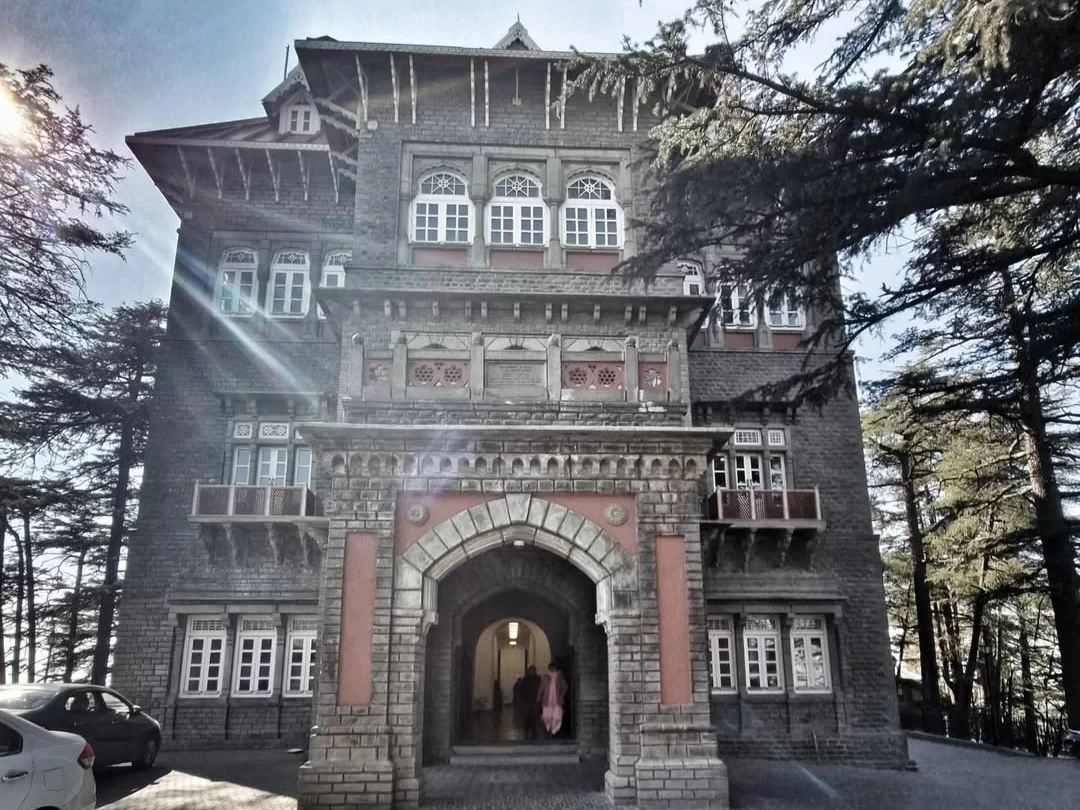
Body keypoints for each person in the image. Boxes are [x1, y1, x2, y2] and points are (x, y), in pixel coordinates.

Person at [538, 663, 568, 738]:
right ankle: (548, 727)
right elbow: (541, 687)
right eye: (550, 668)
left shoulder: (559, 677)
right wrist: (538, 696)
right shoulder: (545, 677)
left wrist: (561, 695)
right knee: (546, 716)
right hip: (547, 700)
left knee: (557, 716)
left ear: (555, 668)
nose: (552, 669)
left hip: (557, 700)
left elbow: (565, 687)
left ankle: (554, 730)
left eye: (553, 668)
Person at [519, 665, 541, 740]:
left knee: (534, 717)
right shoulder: (525, 679)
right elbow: (521, 689)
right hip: (527, 701)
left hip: (534, 701)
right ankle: (527, 730)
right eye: (530, 670)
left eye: (533, 670)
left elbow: (540, 688)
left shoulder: (538, 678)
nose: (531, 671)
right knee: (527, 716)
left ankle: (534, 730)